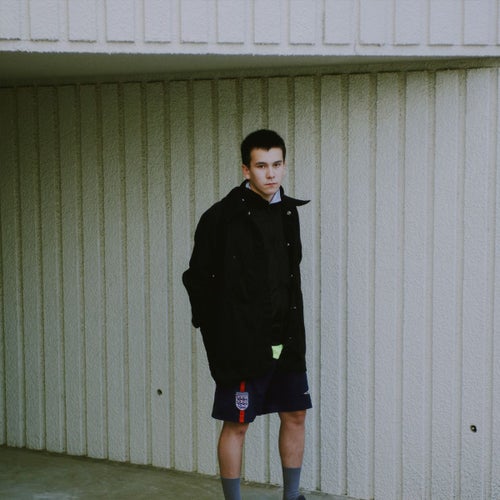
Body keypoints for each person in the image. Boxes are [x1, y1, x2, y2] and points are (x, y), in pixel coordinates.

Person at [182, 129, 311, 500]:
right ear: (245, 169)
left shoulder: (288, 212)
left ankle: (292, 497)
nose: (271, 174)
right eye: (261, 166)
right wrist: (219, 334)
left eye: (277, 164)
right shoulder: (222, 218)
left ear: (284, 165)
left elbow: (289, 274)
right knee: (237, 424)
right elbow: (196, 280)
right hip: (242, 344)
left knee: (295, 414)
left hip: (286, 339)